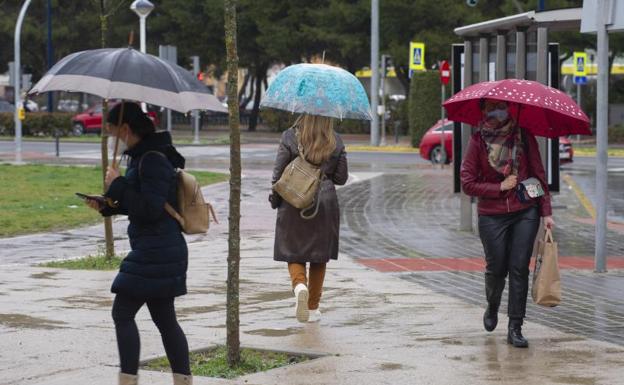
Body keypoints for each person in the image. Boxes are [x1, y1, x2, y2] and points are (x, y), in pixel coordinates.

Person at [85, 102, 192, 385]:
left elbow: (150, 208)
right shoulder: (141, 156)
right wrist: (106, 205)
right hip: (157, 247)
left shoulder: (153, 158)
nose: (113, 138)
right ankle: (182, 380)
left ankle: (128, 380)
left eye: (113, 132)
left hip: (157, 249)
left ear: (126, 128)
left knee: (122, 312)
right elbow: (139, 204)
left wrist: (118, 183)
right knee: (165, 319)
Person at [460, 99, 555, 348]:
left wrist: (546, 213)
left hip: (526, 211)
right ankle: (492, 305)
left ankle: (515, 327)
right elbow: (467, 182)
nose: (497, 111)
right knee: (497, 268)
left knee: (519, 267)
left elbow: (539, 175)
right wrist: (498, 186)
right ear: (483, 111)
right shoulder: (477, 141)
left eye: (502, 106)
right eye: (491, 107)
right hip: (491, 214)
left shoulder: (524, 135)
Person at [270, 114, 348, 323]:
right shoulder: (336, 140)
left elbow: (278, 174)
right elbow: (341, 178)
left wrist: (275, 199)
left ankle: (299, 286)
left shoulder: (289, 136)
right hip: (324, 203)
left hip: (294, 200)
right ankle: (312, 307)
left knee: (293, 251)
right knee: (319, 256)